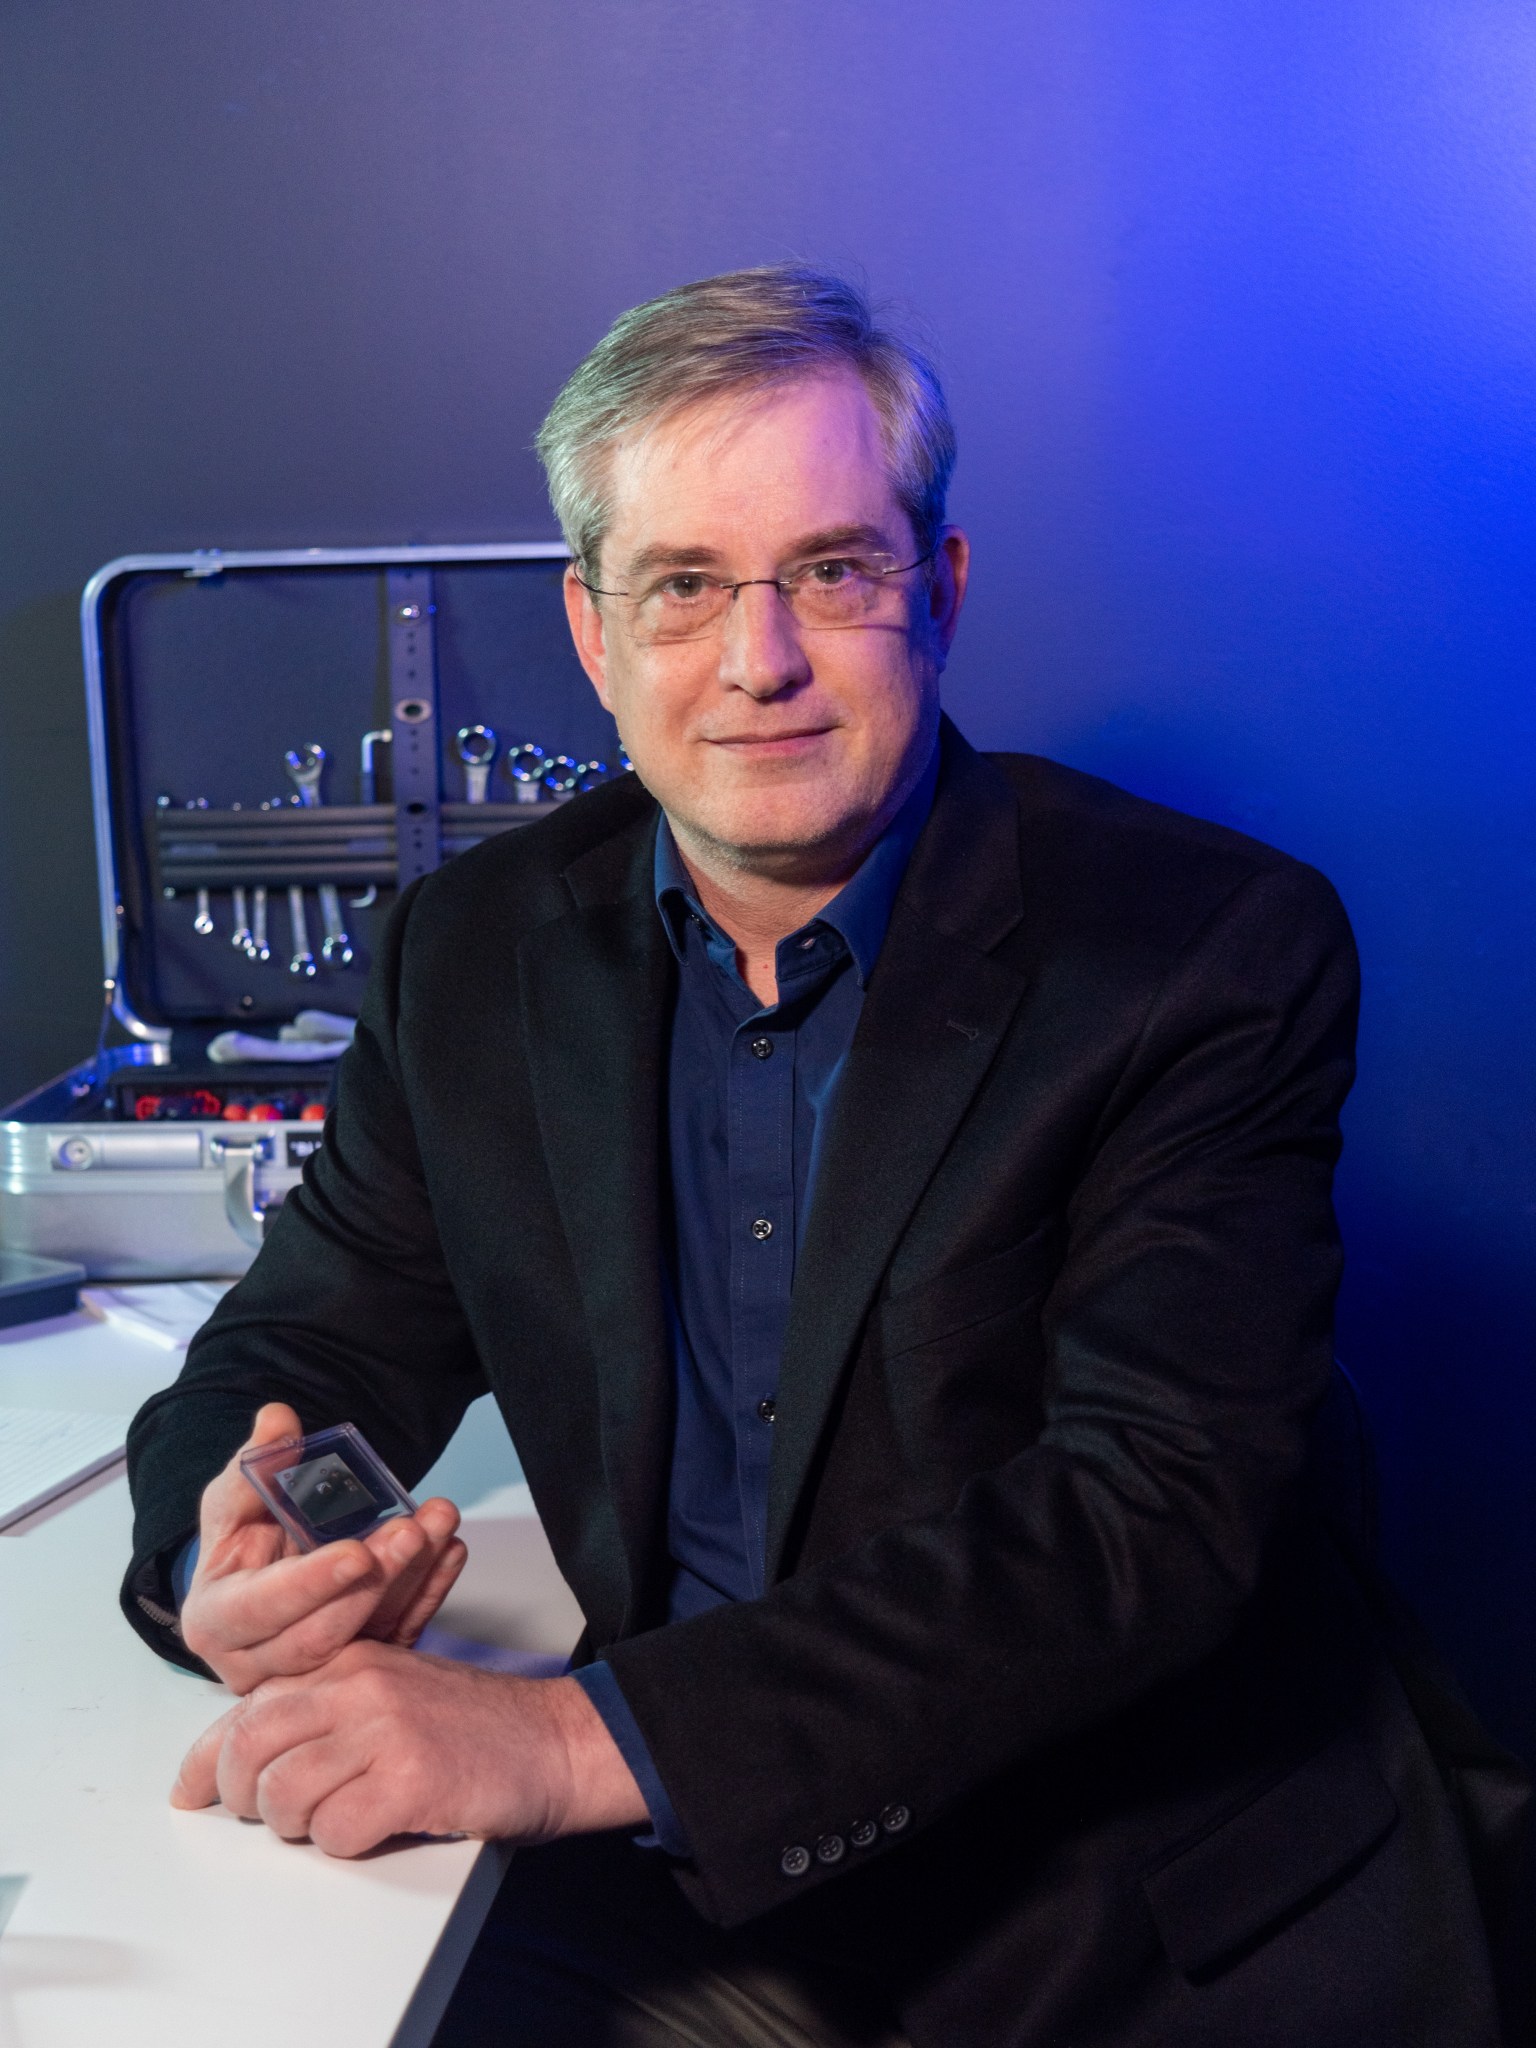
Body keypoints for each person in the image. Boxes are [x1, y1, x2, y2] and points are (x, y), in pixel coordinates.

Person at [122, 267, 1524, 2047]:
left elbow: (1143, 1515)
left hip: (1132, 1917)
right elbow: (311, 1336)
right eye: (686, 586)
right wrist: (217, 1551)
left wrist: (575, 1736)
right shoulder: (468, 954)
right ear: (593, 631)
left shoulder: (1207, 952)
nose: (757, 659)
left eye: (832, 572)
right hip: (678, 1892)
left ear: (937, 590)